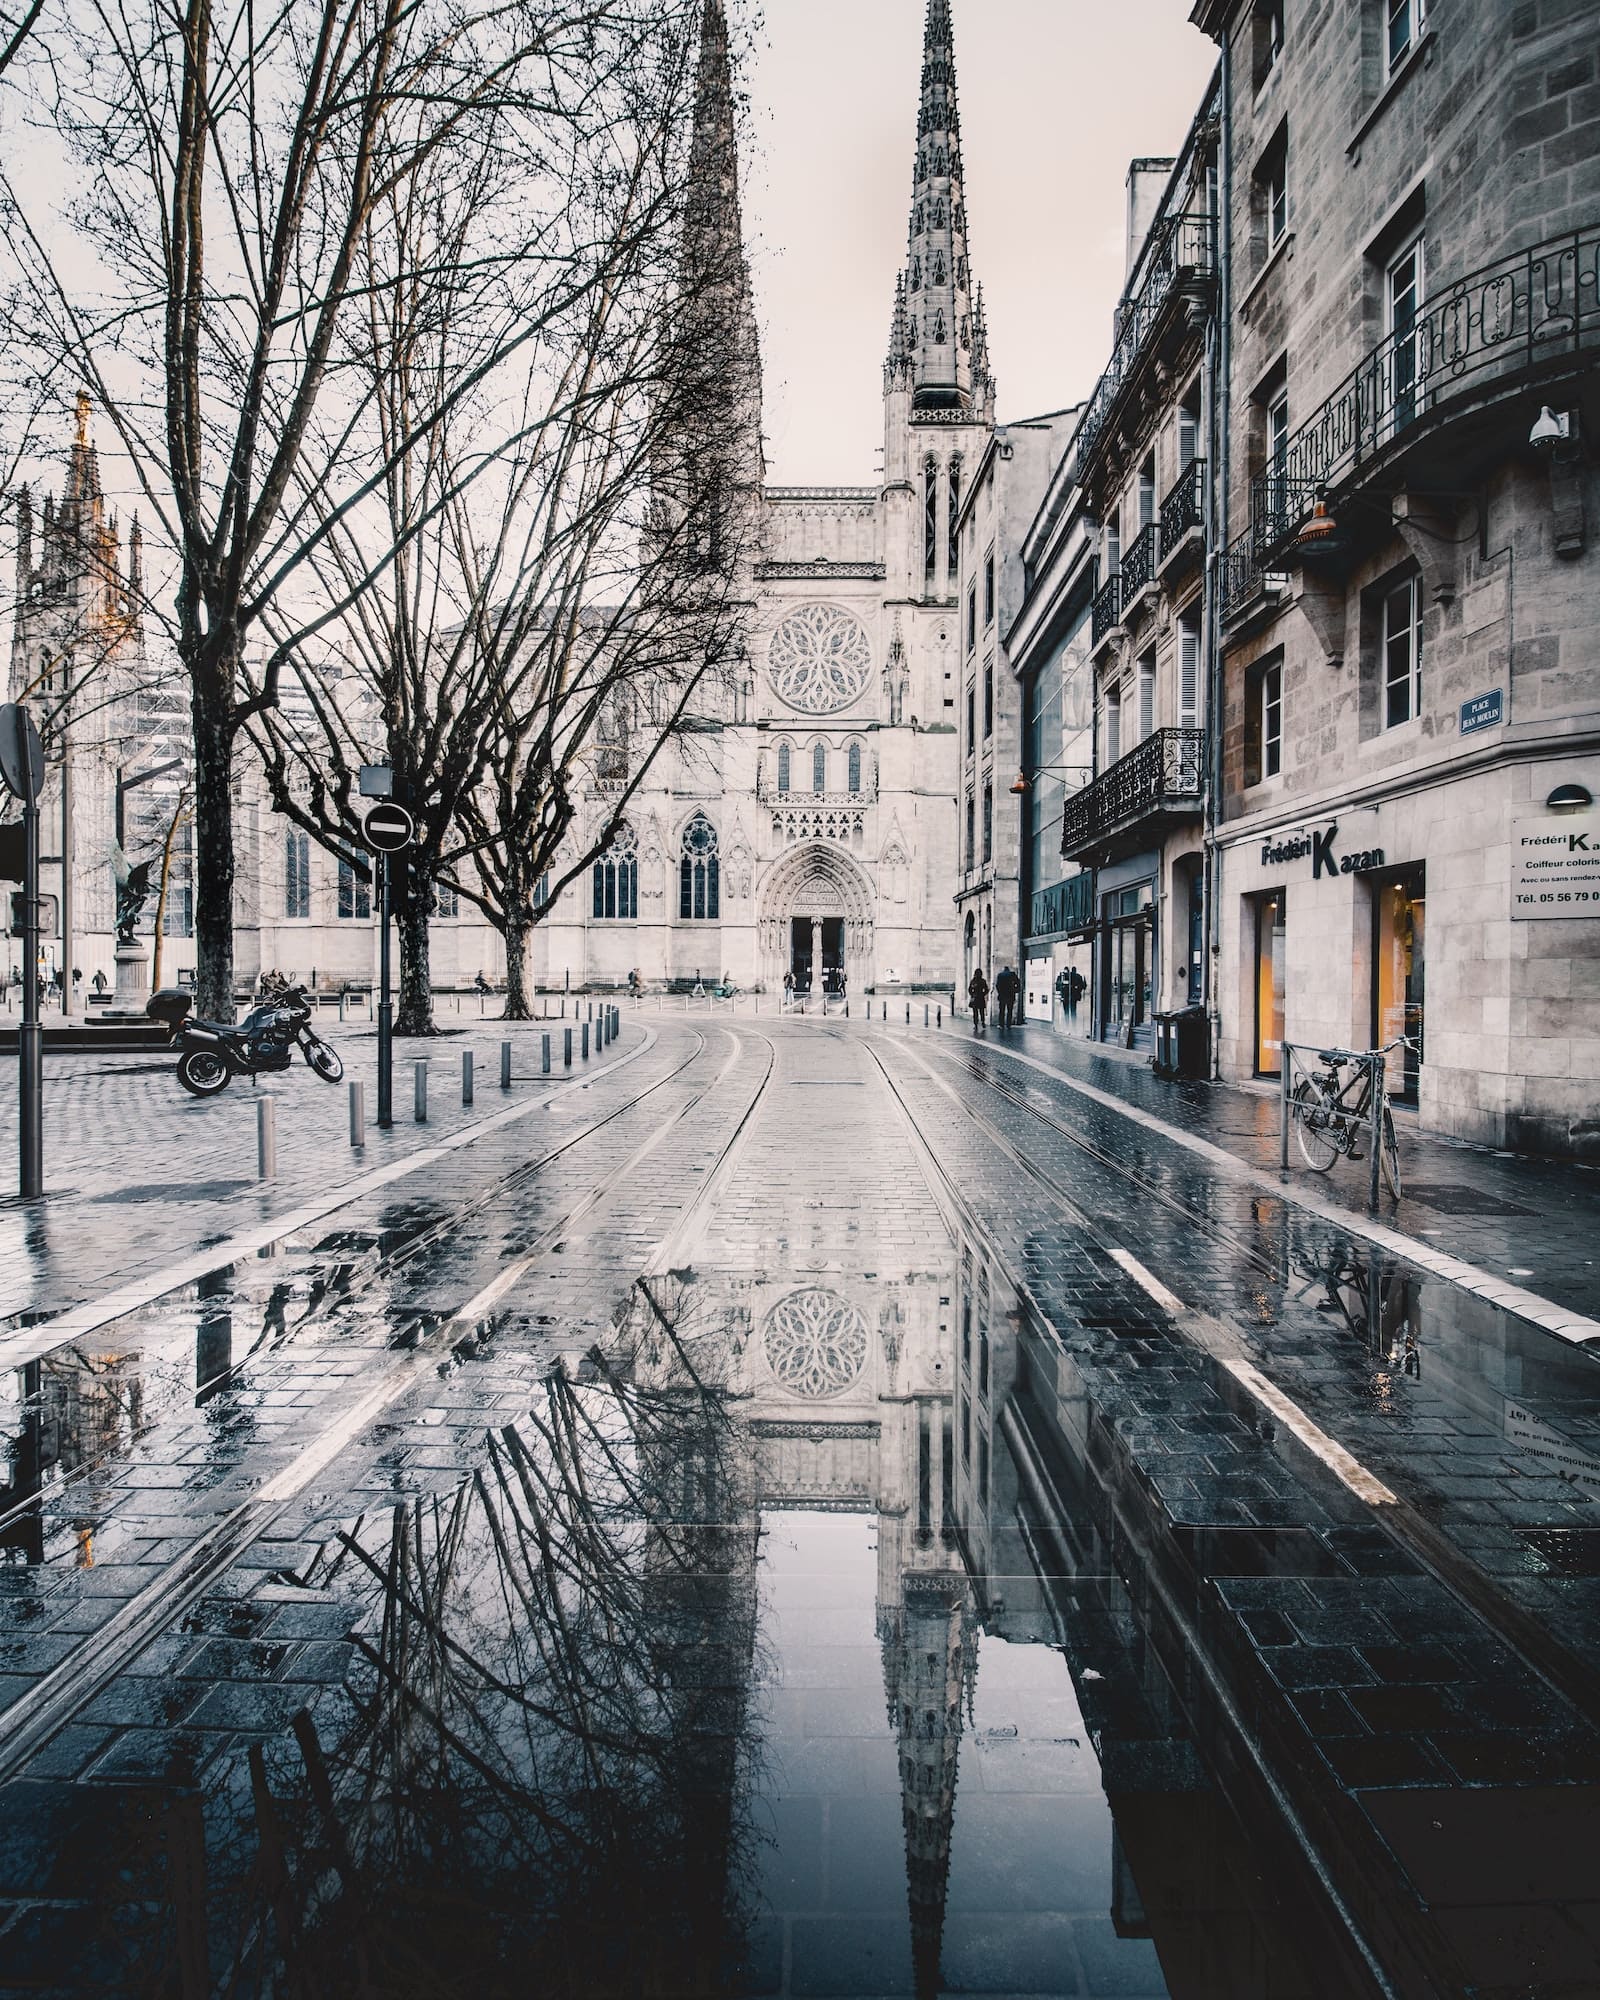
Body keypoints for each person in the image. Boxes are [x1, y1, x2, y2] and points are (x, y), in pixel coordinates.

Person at [995, 964, 1019, 1030]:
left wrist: (1000, 992)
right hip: (1010, 995)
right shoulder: (1012, 974)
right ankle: (1008, 1024)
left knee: (1002, 1010)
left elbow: (997, 985)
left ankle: (1001, 1024)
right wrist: (1016, 990)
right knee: (1009, 1010)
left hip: (1002, 995)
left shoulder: (1000, 975)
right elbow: (1018, 983)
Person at [967, 966, 989, 1033]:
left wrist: (972, 994)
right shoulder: (983, 981)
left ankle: (976, 1024)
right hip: (980, 998)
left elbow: (969, 989)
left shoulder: (973, 981)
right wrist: (983, 994)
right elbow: (986, 989)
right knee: (981, 1011)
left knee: (975, 1012)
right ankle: (982, 1022)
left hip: (975, 998)